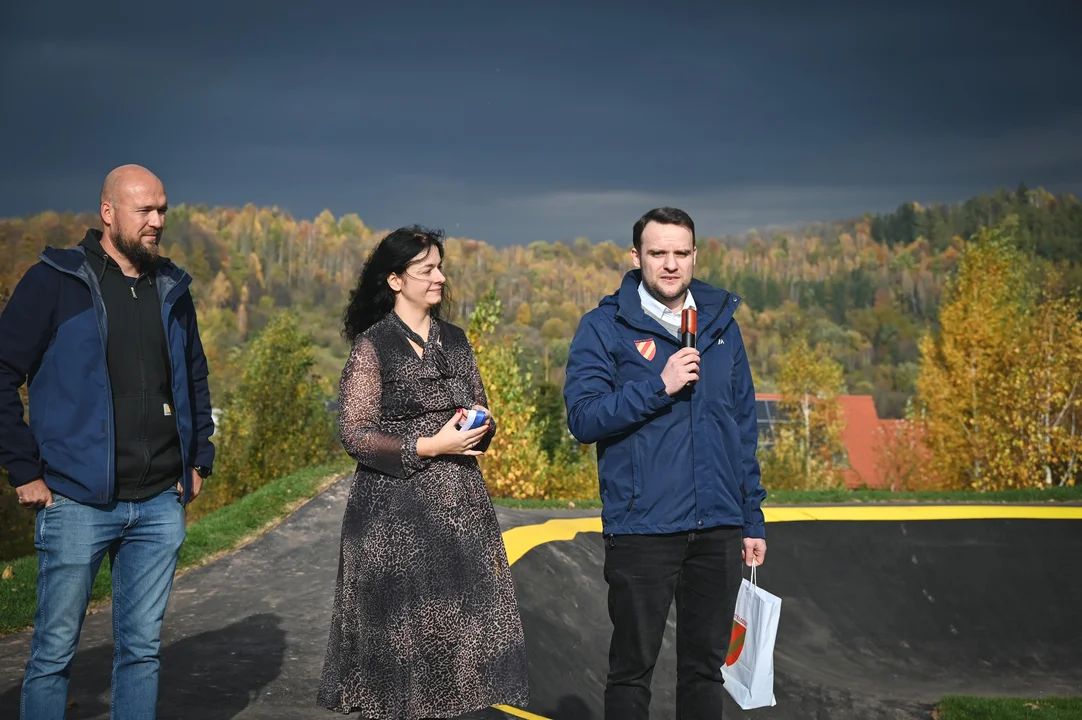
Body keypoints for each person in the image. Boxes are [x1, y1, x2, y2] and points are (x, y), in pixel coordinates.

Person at [0, 164, 215, 719]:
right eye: (145, 210)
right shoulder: (54, 279)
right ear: (108, 212)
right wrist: (24, 469)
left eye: (163, 209)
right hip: (75, 501)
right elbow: (2, 371)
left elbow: (193, 378)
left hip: (158, 503)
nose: (157, 221)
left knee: (141, 653)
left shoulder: (172, 286)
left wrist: (198, 461)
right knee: (52, 655)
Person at [563, 206, 768, 719]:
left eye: (681, 253)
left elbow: (742, 429)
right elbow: (584, 419)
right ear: (636, 257)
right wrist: (659, 386)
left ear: (695, 255)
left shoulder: (722, 324)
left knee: (705, 671)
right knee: (632, 672)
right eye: (658, 253)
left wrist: (751, 518)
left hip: (718, 529)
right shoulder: (604, 327)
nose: (671, 264)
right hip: (643, 528)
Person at [316, 225, 529, 718]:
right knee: (397, 655)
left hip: (459, 511)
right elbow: (356, 435)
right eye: (427, 269)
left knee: (455, 652)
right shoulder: (373, 347)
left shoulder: (455, 339)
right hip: (392, 520)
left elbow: (481, 409)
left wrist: (480, 425)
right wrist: (431, 444)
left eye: (440, 267)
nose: (440, 277)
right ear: (395, 280)